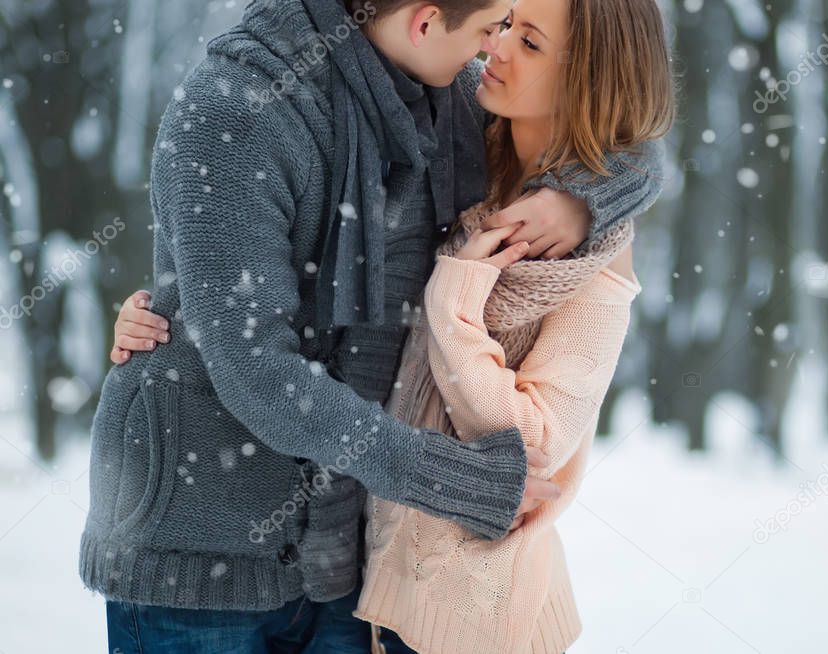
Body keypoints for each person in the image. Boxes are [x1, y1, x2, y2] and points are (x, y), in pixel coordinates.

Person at [86, 0, 666, 651]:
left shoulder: (446, 97)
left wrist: (584, 199)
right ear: (424, 22)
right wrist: (448, 477)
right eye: (487, 30)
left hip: (342, 554)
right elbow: (254, 369)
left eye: (512, 34)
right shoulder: (237, 109)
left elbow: (617, 127)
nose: (490, 52)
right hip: (200, 548)